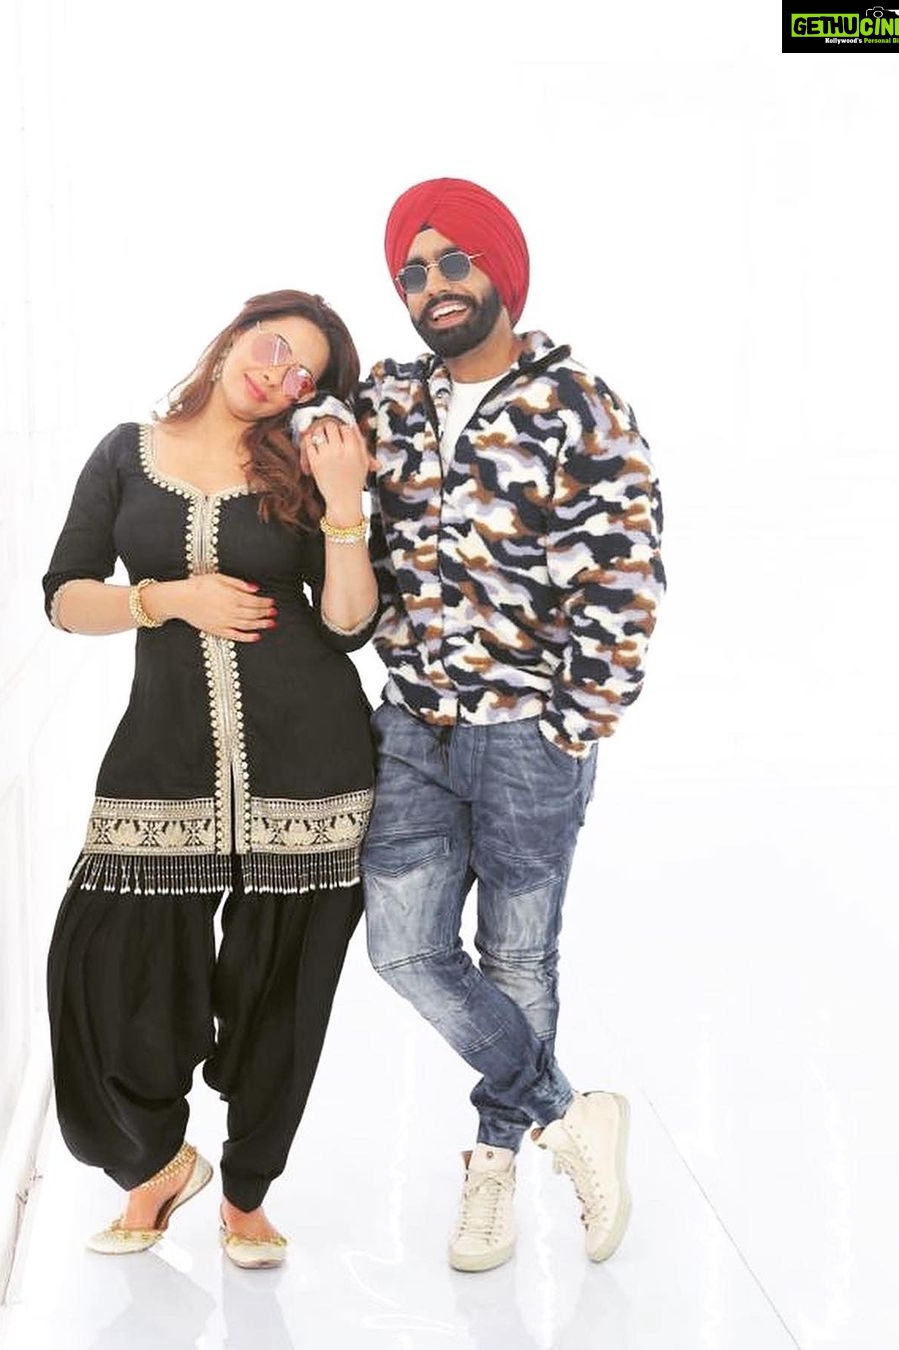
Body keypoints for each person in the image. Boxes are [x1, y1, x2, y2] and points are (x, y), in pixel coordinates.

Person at [298, 179, 665, 1273]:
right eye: (412, 272)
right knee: (405, 948)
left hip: (528, 734)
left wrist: (572, 723)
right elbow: (312, 450)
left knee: (517, 956)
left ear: (500, 270)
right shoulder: (388, 402)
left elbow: (624, 573)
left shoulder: (576, 403)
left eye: (453, 261)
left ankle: (495, 1165)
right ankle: (567, 1112)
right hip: (411, 724)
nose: (433, 286)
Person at [43, 289, 377, 1267]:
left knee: (283, 994)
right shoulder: (125, 453)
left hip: (311, 763)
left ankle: (246, 1195)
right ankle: (155, 1161)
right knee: (104, 970)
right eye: (272, 347)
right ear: (234, 335)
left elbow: (350, 623)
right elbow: (64, 598)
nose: (279, 375)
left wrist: (344, 503)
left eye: (303, 374)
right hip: (163, 759)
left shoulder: (302, 466)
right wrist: (166, 599)